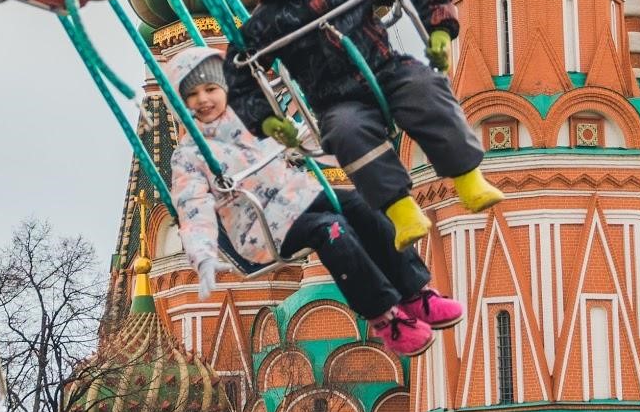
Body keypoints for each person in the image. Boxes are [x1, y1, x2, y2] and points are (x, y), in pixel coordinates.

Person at [228, 0, 500, 249]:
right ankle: (401, 211)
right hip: (335, 98)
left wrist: (440, 31)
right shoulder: (269, 18)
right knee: (346, 132)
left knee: (426, 89)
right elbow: (239, 72)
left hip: (385, 69)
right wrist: (266, 121)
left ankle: (468, 177)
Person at [163, 44, 461, 355]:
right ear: (181, 104)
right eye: (192, 95)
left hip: (297, 198)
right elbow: (191, 206)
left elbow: (299, 137)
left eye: (211, 88)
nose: (203, 100)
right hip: (262, 229)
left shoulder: (252, 121)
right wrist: (202, 254)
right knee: (332, 230)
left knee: (363, 205)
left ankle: (415, 293)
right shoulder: (189, 155)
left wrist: (340, 142)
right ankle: (385, 316)